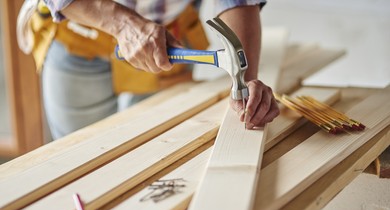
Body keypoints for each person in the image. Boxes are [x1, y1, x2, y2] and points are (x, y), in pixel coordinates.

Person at [19, 0, 279, 139]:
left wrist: (245, 83)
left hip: (166, 41)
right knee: (77, 158)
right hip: (80, 36)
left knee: (157, 152)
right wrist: (122, 25)